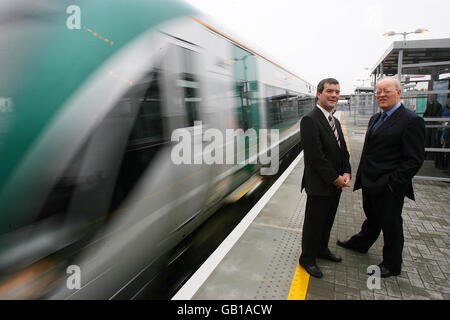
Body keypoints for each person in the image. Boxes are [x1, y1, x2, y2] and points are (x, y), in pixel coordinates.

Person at [337, 77, 425, 278]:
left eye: (386, 91)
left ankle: (392, 264)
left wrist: (393, 184)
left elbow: (414, 159)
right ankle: (361, 243)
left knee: (391, 224)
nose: (381, 95)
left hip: (389, 186)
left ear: (398, 93)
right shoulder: (376, 118)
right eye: (378, 91)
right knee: (373, 217)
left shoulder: (411, 120)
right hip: (370, 181)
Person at [299, 78, 351, 278]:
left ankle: (322, 249)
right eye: (329, 91)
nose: (334, 95)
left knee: (327, 221)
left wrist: (346, 172)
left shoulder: (334, 120)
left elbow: (343, 151)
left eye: (337, 92)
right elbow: (315, 157)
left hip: (336, 183)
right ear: (319, 94)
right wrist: (334, 178)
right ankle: (307, 259)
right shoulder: (310, 119)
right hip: (320, 184)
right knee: (313, 224)